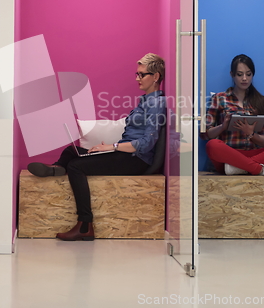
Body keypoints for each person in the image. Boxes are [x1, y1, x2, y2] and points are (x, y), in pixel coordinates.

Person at [27, 53, 167, 241]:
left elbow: (147, 144)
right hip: (126, 155)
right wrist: (110, 148)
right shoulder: (146, 101)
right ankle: (57, 169)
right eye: (137, 74)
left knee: (76, 166)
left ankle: (85, 226)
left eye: (142, 74)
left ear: (156, 76)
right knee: (71, 151)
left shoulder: (156, 104)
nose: (137, 78)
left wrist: (112, 146)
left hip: (135, 160)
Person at [201, 54, 264, 175]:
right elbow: (205, 135)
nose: (244, 78)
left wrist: (251, 134)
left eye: (248, 74)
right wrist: (223, 126)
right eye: (239, 74)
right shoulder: (219, 98)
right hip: (229, 156)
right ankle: (260, 169)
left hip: (256, 154)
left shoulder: (261, 101)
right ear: (232, 74)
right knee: (212, 145)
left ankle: (241, 168)